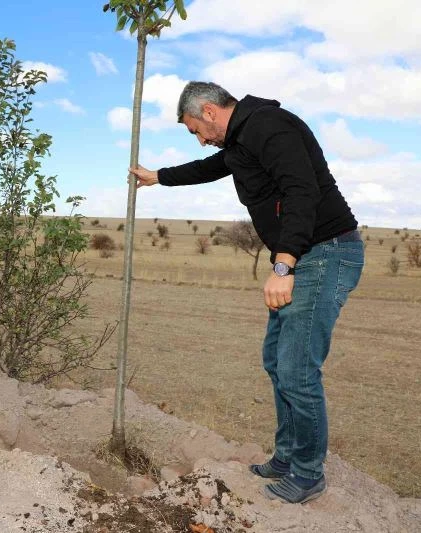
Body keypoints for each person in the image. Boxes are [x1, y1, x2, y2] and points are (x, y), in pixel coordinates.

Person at [129, 82, 364, 504]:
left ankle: (308, 474)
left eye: (195, 129)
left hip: (323, 254)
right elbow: (208, 168)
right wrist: (158, 178)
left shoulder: (271, 127)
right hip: (305, 256)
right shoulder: (243, 140)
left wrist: (284, 263)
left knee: (297, 370)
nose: (200, 139)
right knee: (276, 361)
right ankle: (287, 456)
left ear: (209, 111)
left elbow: (301, 192)